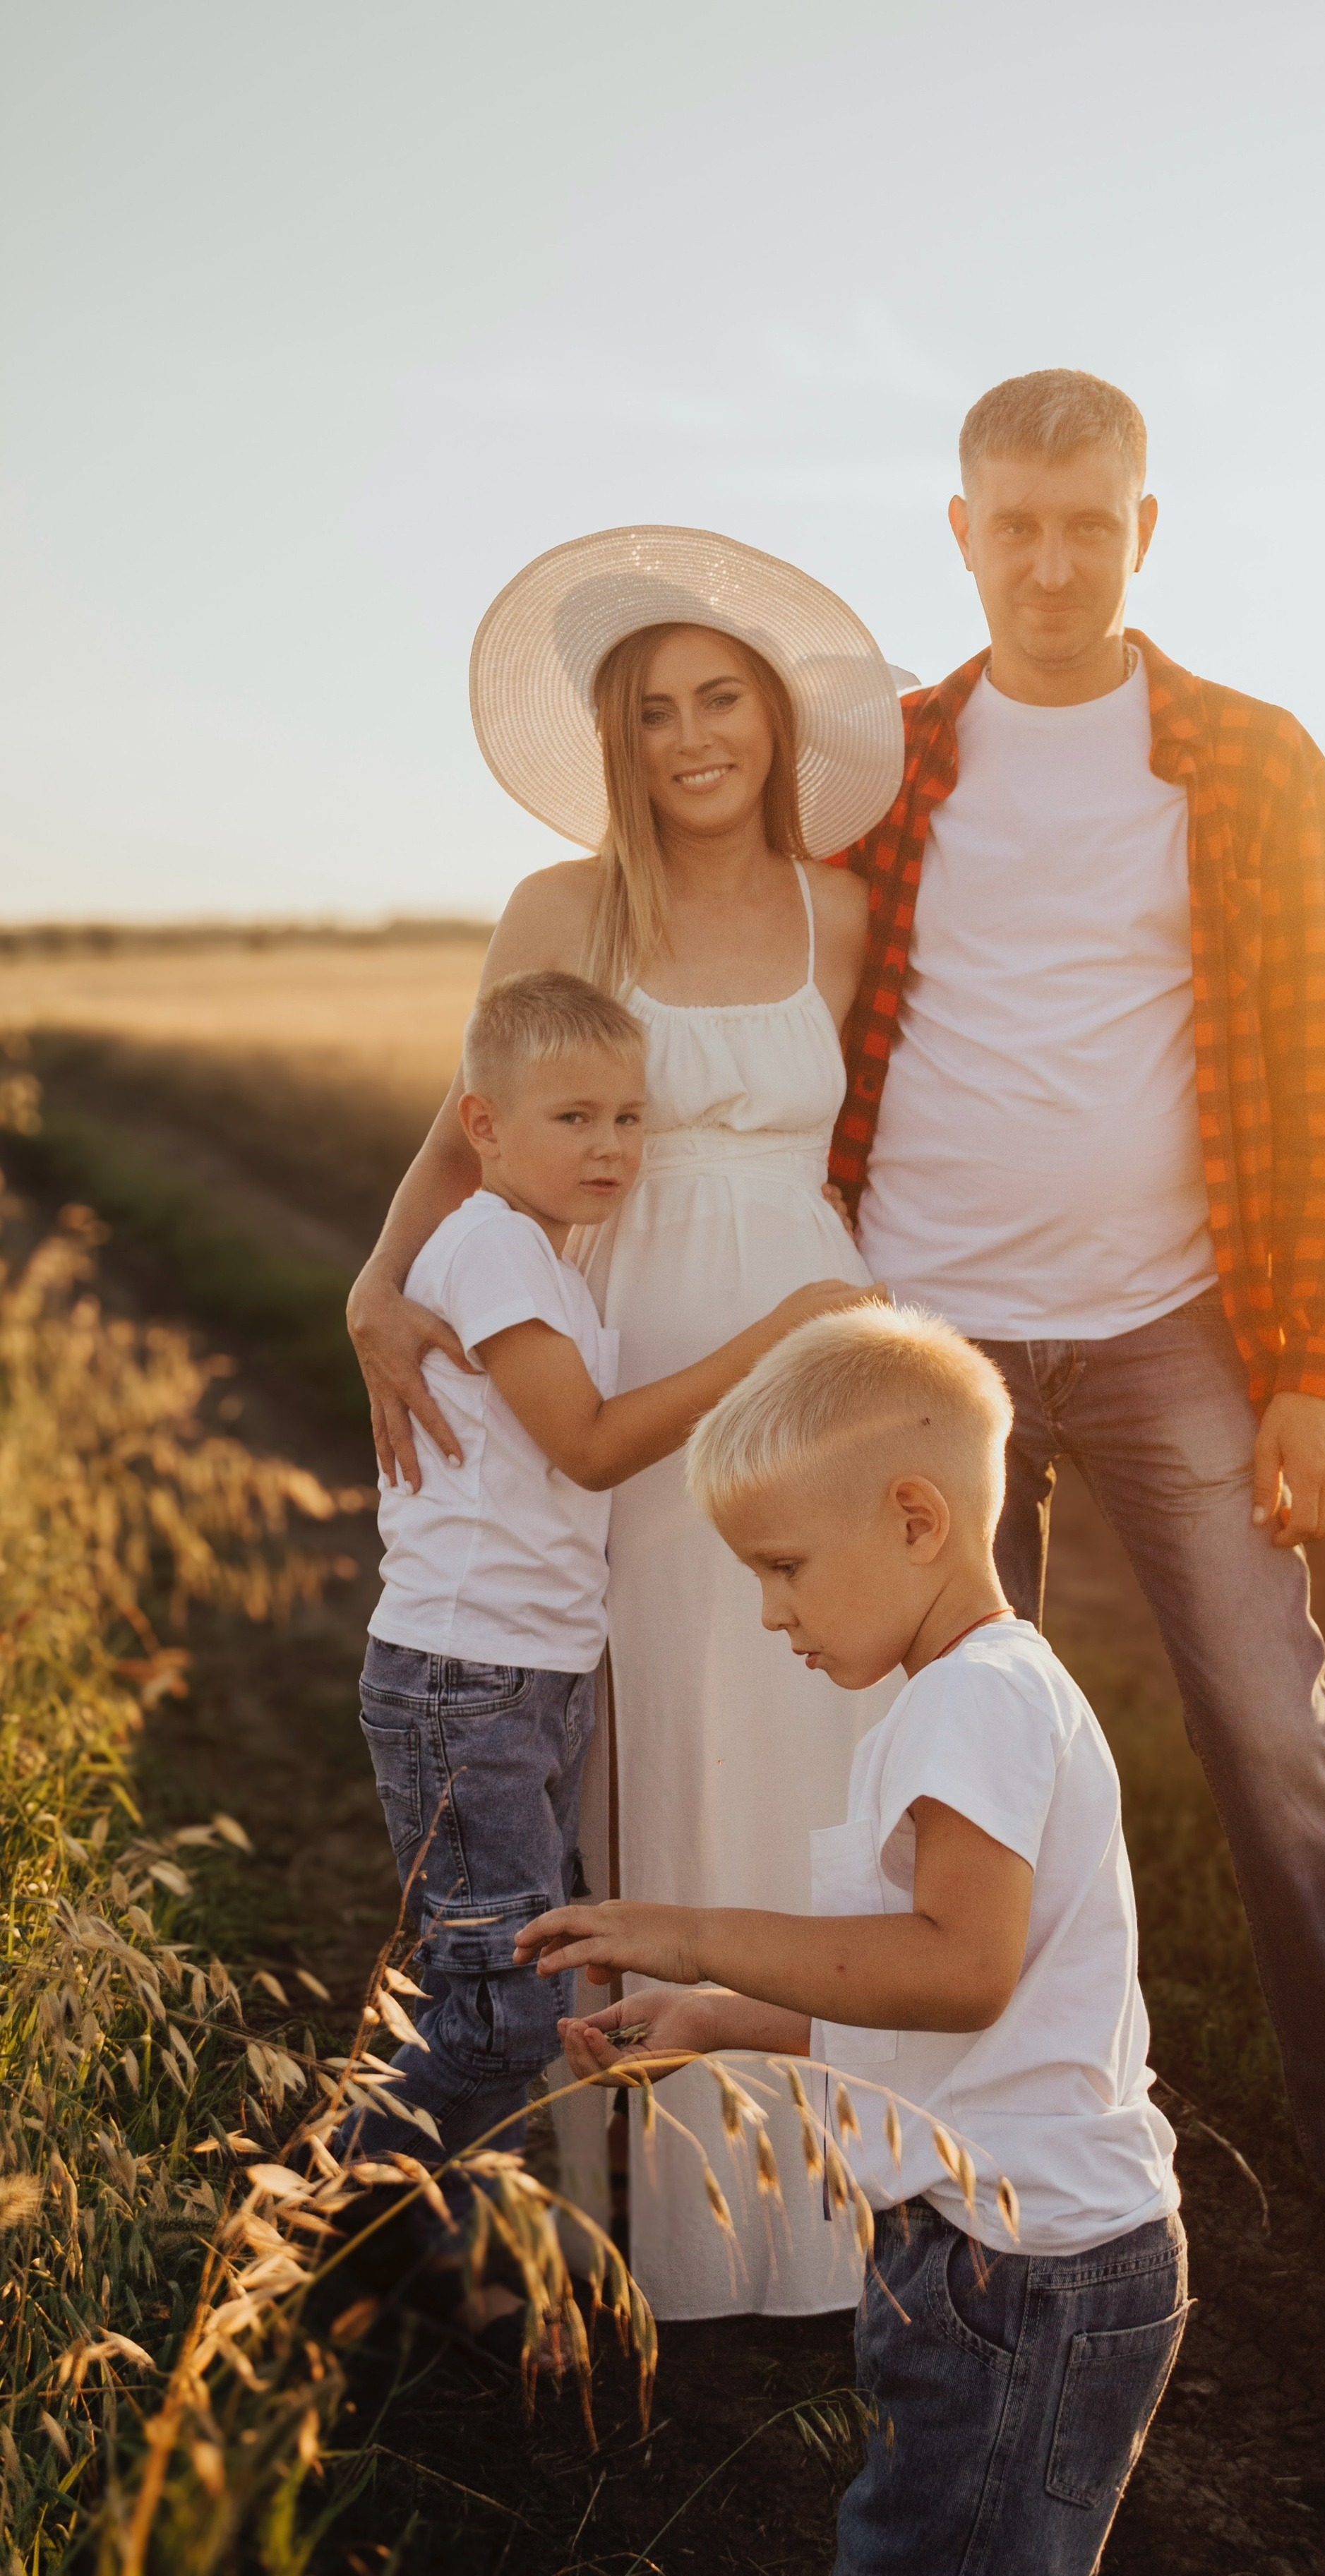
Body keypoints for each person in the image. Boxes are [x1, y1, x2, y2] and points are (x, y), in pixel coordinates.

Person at [832, 369, 1325, 2301]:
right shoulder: (878, 763)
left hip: (1165, 1329)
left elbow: (1321, 1074)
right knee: (951, 1764)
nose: (1051, 560)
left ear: (1146, 531)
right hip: (926, 1336)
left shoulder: (1247, 759)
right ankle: (950, 2168)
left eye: (1090, 522)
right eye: (1015, 524)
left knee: (1273, 1739)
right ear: (962, 535)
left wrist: (1315, 1359)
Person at [344, 529, 909, 2316]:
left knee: (813, 1730)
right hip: (633, 1336)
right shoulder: (558, 912)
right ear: (616, 736)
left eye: (718, 697)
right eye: (653, 709)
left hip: (809, 1329)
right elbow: (472, 1131)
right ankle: (635, 2220)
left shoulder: (843, 907)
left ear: (775, 715)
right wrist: (376, 1279)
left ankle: (830, 2199)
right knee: (640, 1742)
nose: (689, 738)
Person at [518, 1301, 1187, 2576]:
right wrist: (715, 2014)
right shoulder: (993, 1690)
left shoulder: (971, 1705)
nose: (770, 1610)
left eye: (783, 1566)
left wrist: (691, 1922)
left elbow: (957, 1967)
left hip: (1013, 2275)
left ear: (912, 1517)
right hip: (1050, 2256)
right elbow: (950, 2016)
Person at [349, 966, 865, 2169]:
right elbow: (586, 1446)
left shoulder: (543, 1261)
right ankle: (315, 2244)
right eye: (573, 1118)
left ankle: (446, 2267)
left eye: (630, 1119)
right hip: (465, 1679)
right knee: (499, 2009)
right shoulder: (492, 1254)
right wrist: (773, 1338)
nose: (611, 1148)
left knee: (507, 1983)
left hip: (527, 1674)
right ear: (481, 1124)